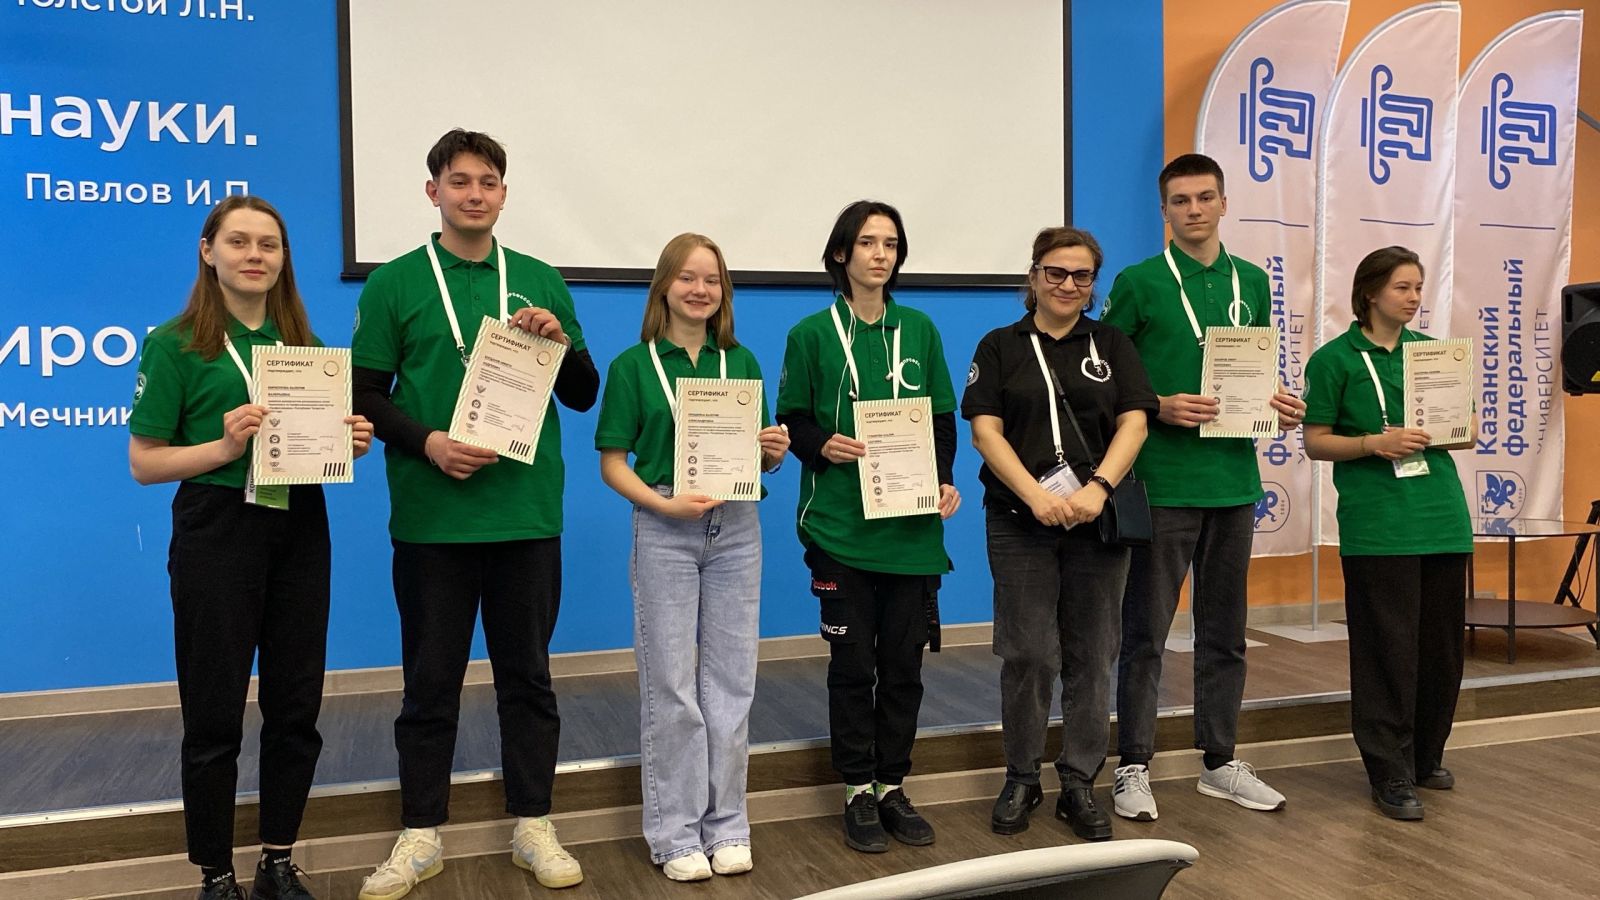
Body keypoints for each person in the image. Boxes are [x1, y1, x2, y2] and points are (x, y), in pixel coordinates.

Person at [351, 129, 599, 899]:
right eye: (459, 181)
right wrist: (427, 442)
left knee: (529, 680)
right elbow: (363, 394)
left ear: (503, 194)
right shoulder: (393, 283)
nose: (474, 194)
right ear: (434, 192)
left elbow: (583, 393)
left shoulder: (539, 281)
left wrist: (560, 344)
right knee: (430, 685)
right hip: (432, 520)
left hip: (526, 515)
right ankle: (421, 834)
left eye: (488, 182)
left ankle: (534, 824)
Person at [128, 195, 374, 900]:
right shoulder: (175, 344)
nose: (255, 255)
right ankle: (215, 872)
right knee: (214, 712)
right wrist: (223, 446)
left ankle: (277, 860)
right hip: (218, 525)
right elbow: (144, 462)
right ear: (209, 252)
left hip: (299, 522)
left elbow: (313, 449)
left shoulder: (305, 349)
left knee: (296, 705)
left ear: (284, 258)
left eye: (269, 244)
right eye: (238, 241)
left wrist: (347, 443)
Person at [1100, 153, 1304, 820]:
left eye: (1205, 197)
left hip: (1234, 482)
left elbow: (1250, 375)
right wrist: (1157, 404)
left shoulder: (1253, 281)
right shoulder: (1139, 282)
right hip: (1162, 482)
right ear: (1164, 210)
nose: (1194, 209)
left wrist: (1275, 403)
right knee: (1146, 633)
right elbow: (1103, 378)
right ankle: (1133, 764)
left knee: (1227, 634)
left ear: (1223, 203)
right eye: (1181, 200)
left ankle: (1219, 761)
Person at [594, 233, 790, 881]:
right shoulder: (633, 366)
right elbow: (612, 463)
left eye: (712, 280)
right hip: (665, 526)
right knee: (673, 687)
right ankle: (675, 833)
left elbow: (757, 456)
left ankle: (727, 825)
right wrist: (663, 504)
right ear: (664, 287)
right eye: (687, 277)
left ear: (723, 292)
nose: (700, 290)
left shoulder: (742, 363)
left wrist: (772, 452)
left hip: (737, 527)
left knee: (732, 684)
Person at [776, 200, 961, 854]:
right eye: (867, 243)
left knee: (904, 669)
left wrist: (943, 480)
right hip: (840, 531)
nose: (880, 254)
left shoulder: (921, 330)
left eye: (890, 243)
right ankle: (856, 788)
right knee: (853, 665)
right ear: (841, 254)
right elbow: (793, 419)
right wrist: (821, 444)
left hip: (911, 533)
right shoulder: (811, 334)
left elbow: (941, 421)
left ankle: (892, 786)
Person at [963, 227, 1155, 841]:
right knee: (1028, 653)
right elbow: (985, 432)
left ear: (1093, 283)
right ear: (1034, 276)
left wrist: (1098, 487)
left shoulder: (1112, 343)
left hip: (1097, 521)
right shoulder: (1000, 346)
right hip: (1020, 522)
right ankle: (1021, 776)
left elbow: (1134, 423)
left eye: (1081, 275)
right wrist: (1036, 496)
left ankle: (1079, 782)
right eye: (1055, 272)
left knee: (1093, 655)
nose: (1068, 284)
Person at [1302, 246, 1473, 821]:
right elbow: (1315, 441)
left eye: (1418, 287)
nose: (1414, 297)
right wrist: (1375, 443)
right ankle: (1388, 770)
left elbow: (1466, 431)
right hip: (1379, 526)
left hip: (1442, 518)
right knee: (1386, 653)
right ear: (1370, 292)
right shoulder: (1335, 359)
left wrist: (1452, 426)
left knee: (1441, 652)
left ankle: (1425, 756)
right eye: (1403, 287)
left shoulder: (1435, 353)